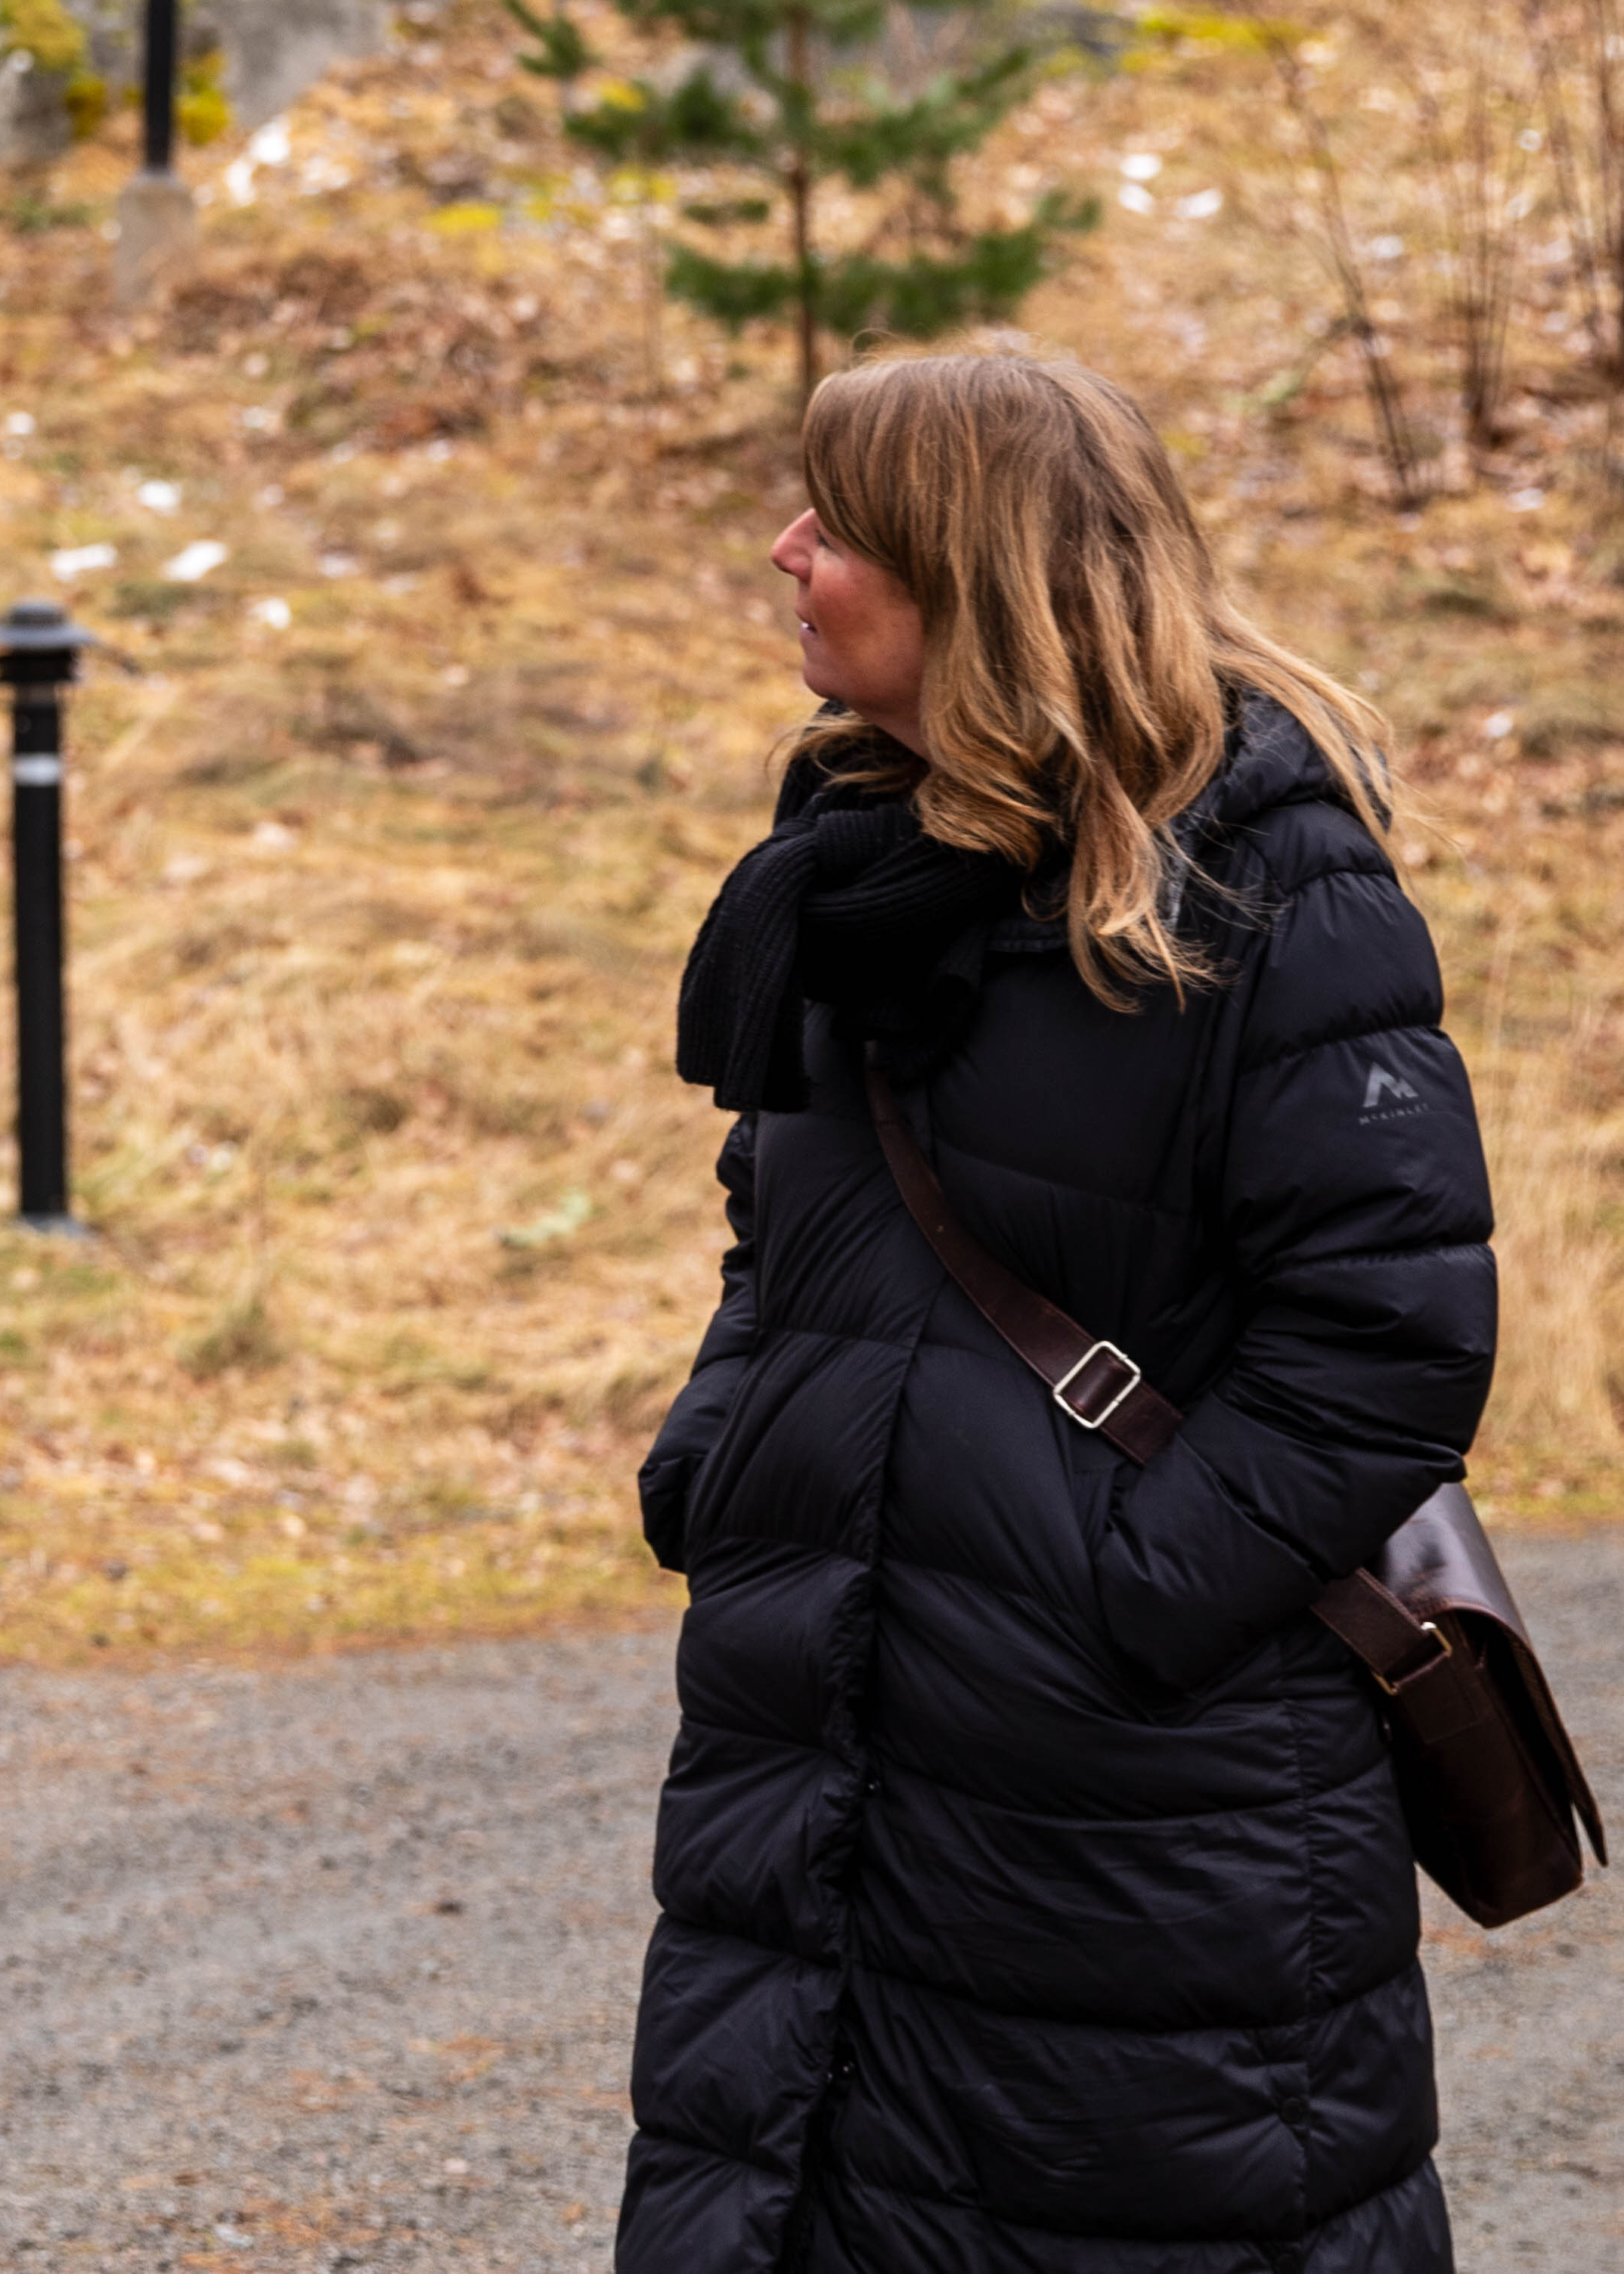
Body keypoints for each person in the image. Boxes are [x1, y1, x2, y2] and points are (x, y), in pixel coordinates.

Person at [628, 352, 1492, 2269]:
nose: (785, 551)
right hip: (823, 1739)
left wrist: (1122, 1594)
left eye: (835, 524)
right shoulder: (848, 872)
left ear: (973, 571)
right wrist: (725, 1451)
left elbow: (1389, 1337)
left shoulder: (1271, 881)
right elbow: (783, 1227)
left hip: (1139, 1816)